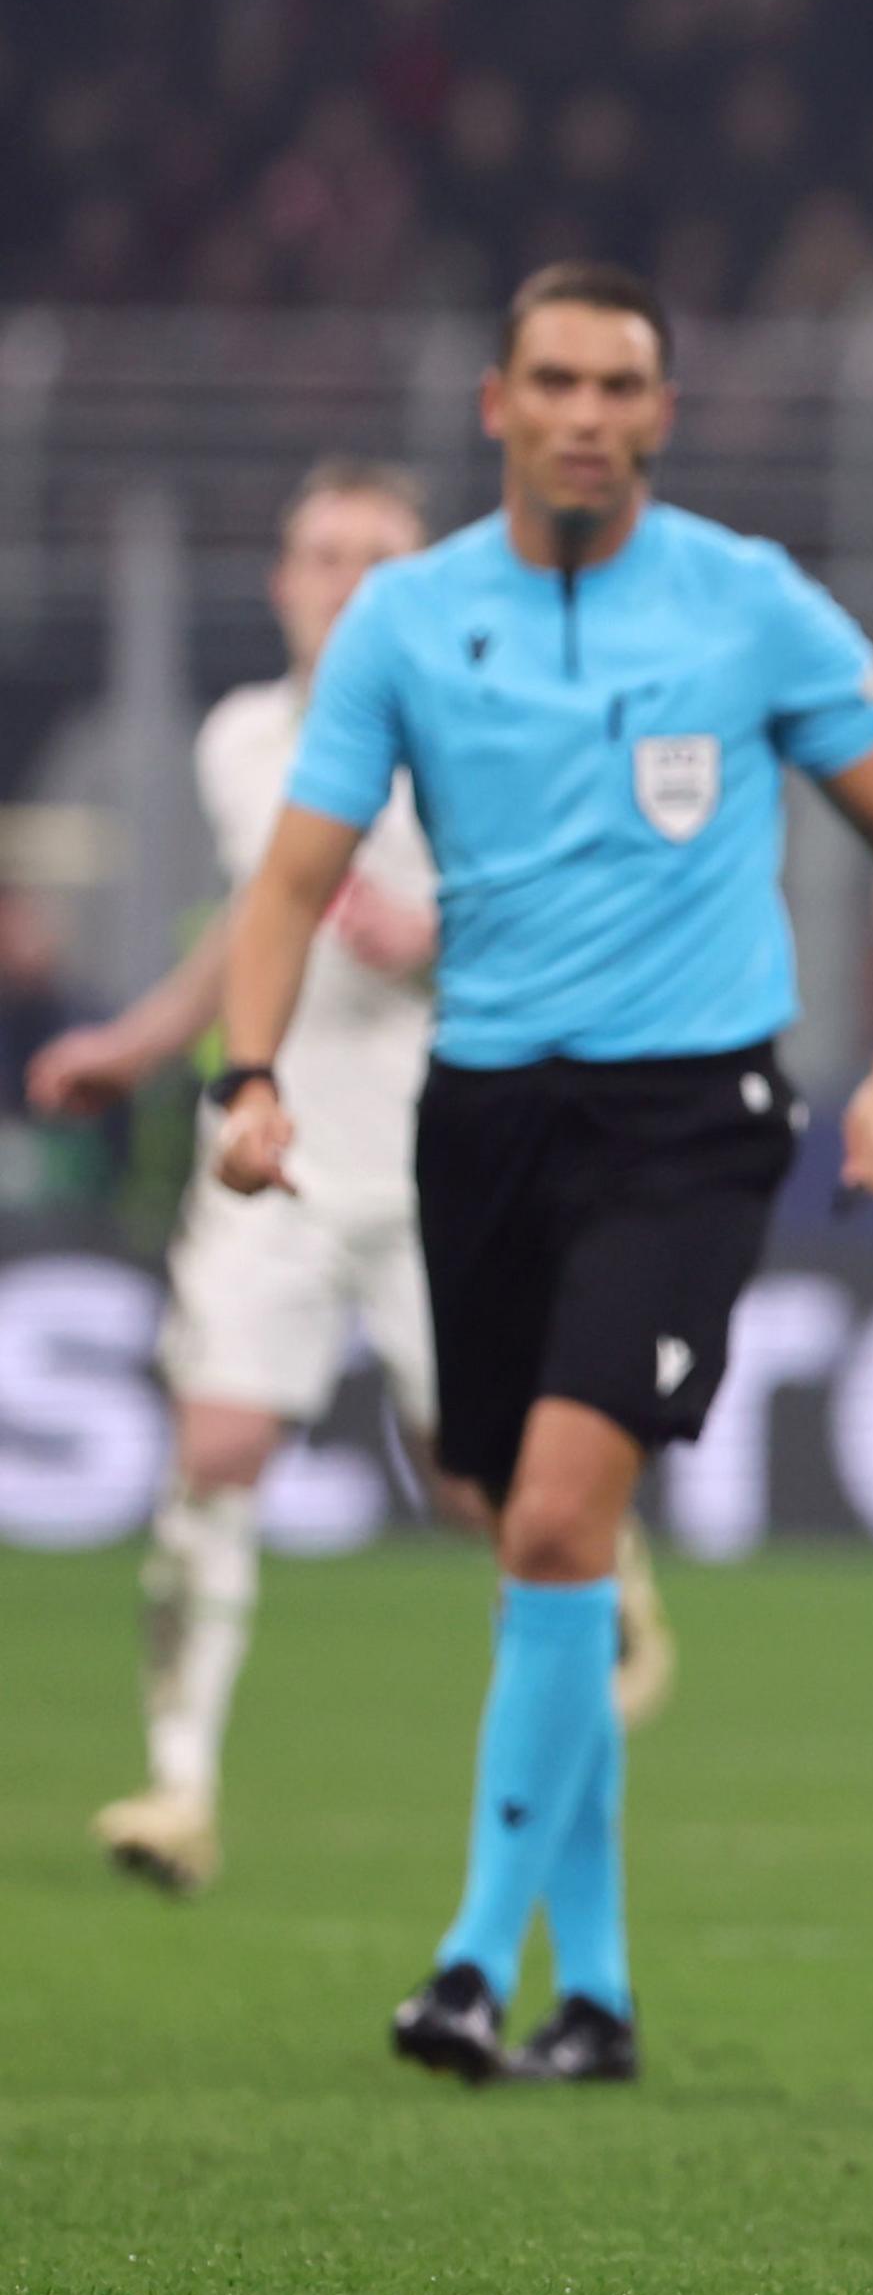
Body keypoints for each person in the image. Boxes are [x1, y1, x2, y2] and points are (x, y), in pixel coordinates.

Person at [211, 262, 873, 2088]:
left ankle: (471, 1965)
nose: (584, 414)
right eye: (552, 379)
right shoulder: (407, 618)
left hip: (688, 1118)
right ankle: (603, 1994)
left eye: (619, 383)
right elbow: (296, 880)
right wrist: (249, 1077)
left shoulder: (748, 603)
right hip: (481, 1119)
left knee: (552, 1517)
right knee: (512, 1514)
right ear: (496, 404)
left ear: (661, 410)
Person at [28, 459, 676, 1897]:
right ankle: (178, 1787)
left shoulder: (498, 735)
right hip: (274, 1150)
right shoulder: (243, 739)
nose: (345, 581)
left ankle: (597, 1562)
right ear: (282, 582)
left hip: (455, 1164)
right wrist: (141, 1047)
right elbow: (262, 921)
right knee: (219, 1451)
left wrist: (445, 939)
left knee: (471, 1490)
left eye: (378, 557)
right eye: (322, 555)